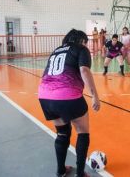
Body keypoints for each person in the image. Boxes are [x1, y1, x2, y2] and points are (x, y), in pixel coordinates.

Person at [38, 29, 100, 177]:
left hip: (45, 96)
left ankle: (60, 170)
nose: (86, 45)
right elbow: (84, 71)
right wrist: (95, 96)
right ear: (82, 41)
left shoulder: (56, 50)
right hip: (67, 96)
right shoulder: (81, 48)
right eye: (86, 42)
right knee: (82, 132)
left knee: (62, 133)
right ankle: (80, 174)